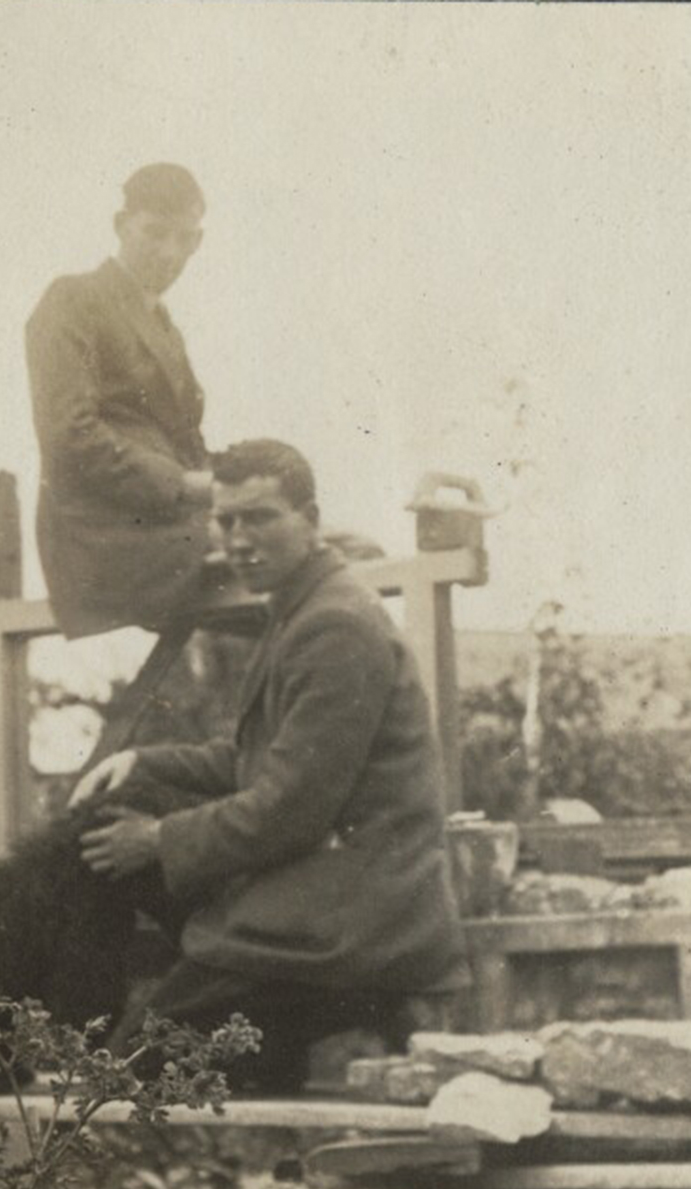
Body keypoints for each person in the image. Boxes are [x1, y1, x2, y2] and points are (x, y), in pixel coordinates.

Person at [70, 439, 469, 1089]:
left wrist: (157, 839)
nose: (239, 540)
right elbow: (259, 760)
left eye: (260, 518)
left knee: (122, 1078)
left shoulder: (334, 626)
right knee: (130, 820)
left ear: (309, 521)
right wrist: (143, 759)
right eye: (226, 521)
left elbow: (291, 807)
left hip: (351, 922)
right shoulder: (302, 610)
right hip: (334, 898)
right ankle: (262, 1057)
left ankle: (253, 1051)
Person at [25, 163, 214, 639]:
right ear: (120, 225)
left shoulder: (164, 326)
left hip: (167, 524)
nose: (169, 253)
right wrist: (188, 486)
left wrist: (242, 484)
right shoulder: (74, 299)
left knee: (291, 501)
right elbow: (69, 436)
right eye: (154, 233)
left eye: (184, 239)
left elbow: (188, 444)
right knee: (285, 553)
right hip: (101, 540)